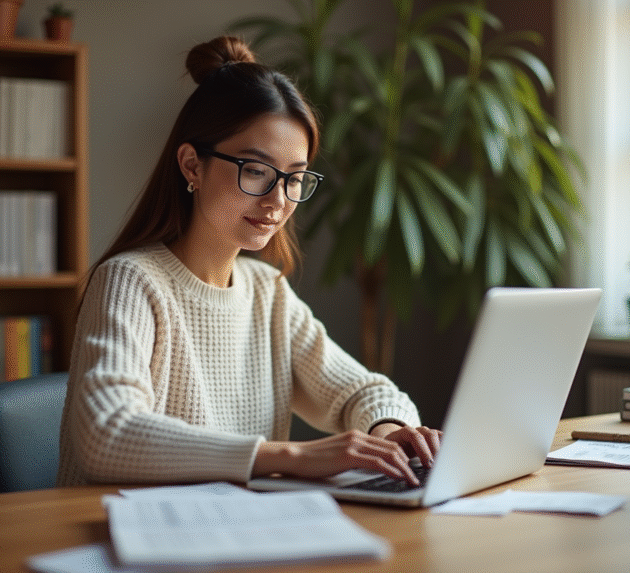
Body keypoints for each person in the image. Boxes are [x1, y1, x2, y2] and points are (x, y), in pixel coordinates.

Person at [57, 36, 441, 488]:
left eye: (295, 178)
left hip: (237, 534)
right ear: (191, 166)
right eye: (256, 170)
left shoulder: (266, 292)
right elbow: (107, 433)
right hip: (129, 542)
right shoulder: (129, 282)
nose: (278, 201)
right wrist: (292, 456)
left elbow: (366, 391)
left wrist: (391, 434)